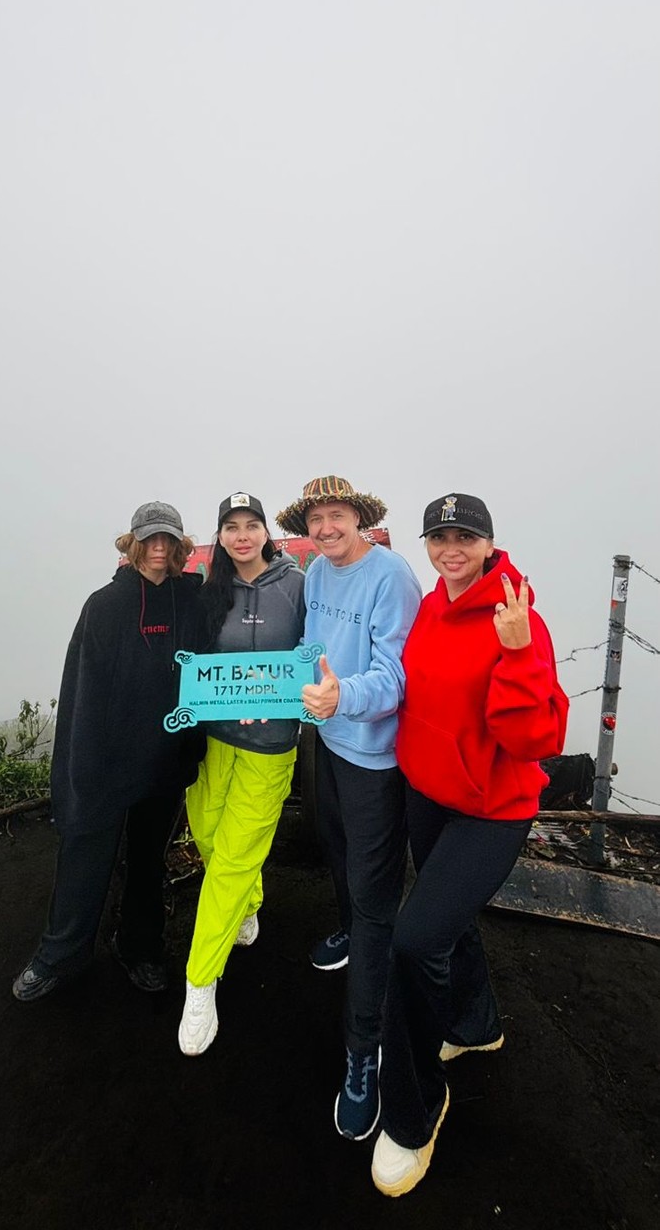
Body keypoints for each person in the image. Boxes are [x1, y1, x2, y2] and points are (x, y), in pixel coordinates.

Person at [371, 492, 569, 1197]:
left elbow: (537, 740)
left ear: (489, 543)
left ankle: (414, 1110)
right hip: (431, 796)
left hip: (492, 810)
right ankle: (476, 1022)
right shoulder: (431, 605)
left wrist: (516, 653)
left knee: (413, 940)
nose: (450, 548)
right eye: (439, 536)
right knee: (444, 926)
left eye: (465, 536)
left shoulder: (519, 621)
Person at [275, 475, 422, 1141]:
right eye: (315, 518)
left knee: (373, 902)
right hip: (326, 743)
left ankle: (365, 1054)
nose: (326, 528)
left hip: (374, 757)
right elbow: (311, 658)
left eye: (337, 516)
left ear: (361, 517)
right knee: (334, 852)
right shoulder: (313, 575)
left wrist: (342, 700)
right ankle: (349, 928)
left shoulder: (391, 578)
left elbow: (396, 676)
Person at [12, 501, 206, 1003]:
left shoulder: (192, 601)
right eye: (151, 539)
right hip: (106, 760)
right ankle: (59, 954)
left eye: (169, 540)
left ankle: (139, 948)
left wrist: (191, 749)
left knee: (146, 863)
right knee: (84, 856)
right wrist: (79, 769)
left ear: (181, 546)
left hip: (163, 763)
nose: (159, 549)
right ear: (134, 543)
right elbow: (83, 689)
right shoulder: (104, 605)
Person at [178, 492, 305, 1055]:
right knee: (206, 833)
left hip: (270, 747)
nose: (242, 535)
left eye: (251, 524)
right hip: (215, 741)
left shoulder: (298, 586)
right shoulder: (211, 588)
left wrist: (281, 693)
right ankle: (249, 904)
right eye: (231, 527)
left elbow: (317, 653)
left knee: (229, 861)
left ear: (265, 532)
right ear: (221, 536)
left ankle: (200, 981)